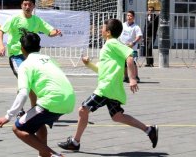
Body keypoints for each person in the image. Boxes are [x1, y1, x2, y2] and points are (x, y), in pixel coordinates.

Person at [58, 18, 158, 152]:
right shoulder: (108, 46)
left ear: (108, 32)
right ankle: (149, 130)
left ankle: (75, 142)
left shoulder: (112, 43)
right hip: (112, 89)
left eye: (103, 27)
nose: (101, 29)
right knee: (117, 116)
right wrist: (88, 64)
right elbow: (101, 70)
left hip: (106, 88)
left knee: (83, 109)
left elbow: (129, 56)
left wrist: (132, 78)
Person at [0, 31, 75, 157]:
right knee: (38, 122)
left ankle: (53, 155)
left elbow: (23, 93)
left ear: (22, 49)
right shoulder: (49, 59)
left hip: (51, 101)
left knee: (18, 128)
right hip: (69, 100)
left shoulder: (25, 65)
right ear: (39, 47)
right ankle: (43, 155)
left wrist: (8, 116)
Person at [119, 10, 142, 83]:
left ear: (133, 17)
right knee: (123, 62)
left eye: (131, 16)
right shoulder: (123, 25)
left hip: (132, 48)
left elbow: (139, 36)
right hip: (123, 47)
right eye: (128, 15)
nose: (129, 17)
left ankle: (136, 76)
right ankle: (125, 76)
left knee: (133, 62)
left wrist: (133, 43)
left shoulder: (136, 27)